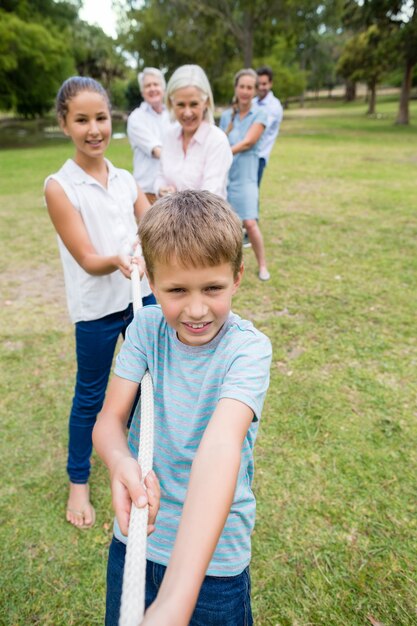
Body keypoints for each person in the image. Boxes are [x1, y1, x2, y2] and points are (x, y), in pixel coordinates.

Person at [93, 190, 272, 625]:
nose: (196, 309)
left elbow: (220, 448)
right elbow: (110, 420)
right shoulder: (146, 329)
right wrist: (120, 461)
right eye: (176, 290)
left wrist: (175, 598)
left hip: (213, 564)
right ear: (151, 284)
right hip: (137, 538)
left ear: (238, 276)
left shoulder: (248, 351)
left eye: (212, 287)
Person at [44, 76, 156, 530]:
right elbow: (89, 259)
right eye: (82, 119)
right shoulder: (59, 186)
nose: (95, 129)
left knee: (144, 383)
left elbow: (152, 227)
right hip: (96, 309)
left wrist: (151, 245)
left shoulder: (126, 178)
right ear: (64, 124)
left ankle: (136, 462)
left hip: (140, 298)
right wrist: (117, 258)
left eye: (102, 118)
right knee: (91, 395)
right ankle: (78, 481)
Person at [220, 69, 270, 281]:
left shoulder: (260, 115)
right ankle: (226, 267)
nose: (245, 91)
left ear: (256, 90)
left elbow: (249, 141)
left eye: (250, 87)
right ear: (236, 88)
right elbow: (219, 139)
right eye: (242, 86)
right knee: (225, 224)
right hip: (226, 177)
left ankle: (262, 265)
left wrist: (223, 152)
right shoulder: (226, 116)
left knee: (249, 222)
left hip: (246, 177)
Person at [155, 64, 232, 199]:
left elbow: (210, 197)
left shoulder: (216, 140)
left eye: (194, 104)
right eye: (180, 105)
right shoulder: (169, 136)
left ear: (206, 102)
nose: (187, 113)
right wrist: (161, 189)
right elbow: (161, 176)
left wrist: (174, 199)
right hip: (170, 219)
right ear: (171, 104)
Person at [127, 67, 171, 204]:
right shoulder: (136, 118)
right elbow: (157, 151)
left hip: (172, 192)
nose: (152, 89)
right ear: (142, 92)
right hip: (147, 193)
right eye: (147, 86)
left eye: (156, 84)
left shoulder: (173, 116)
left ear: (163, 88)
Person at [253, 65, 283, 187]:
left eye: (264, 84)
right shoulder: (253, 101)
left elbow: (258, 132)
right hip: (246, 155)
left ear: (270, 84)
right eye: (258, 84)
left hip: (259, 156)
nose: (261, 87)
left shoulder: (274, 106)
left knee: (252, 194)